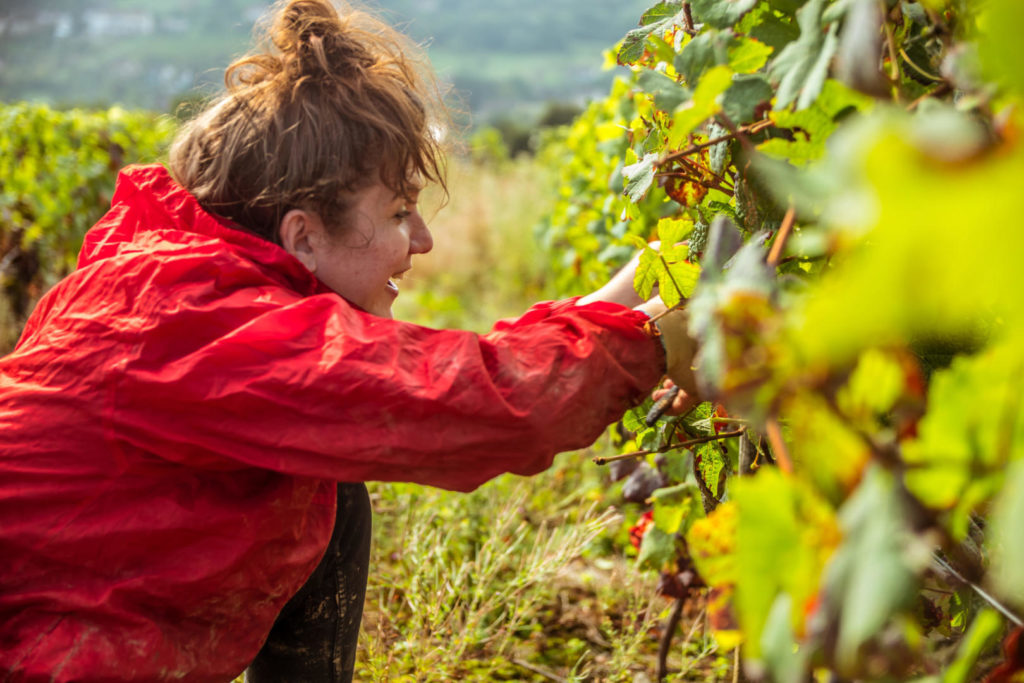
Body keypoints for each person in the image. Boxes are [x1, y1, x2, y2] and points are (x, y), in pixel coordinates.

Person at [0, 1, 696, 681]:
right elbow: (471, 400)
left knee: (326, 493)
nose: (420, 241)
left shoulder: (174, 286)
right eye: (398, 212)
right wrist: (661, 339)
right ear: (303, 235)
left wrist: (649, 279)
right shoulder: (199, 327)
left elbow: (450, 370)